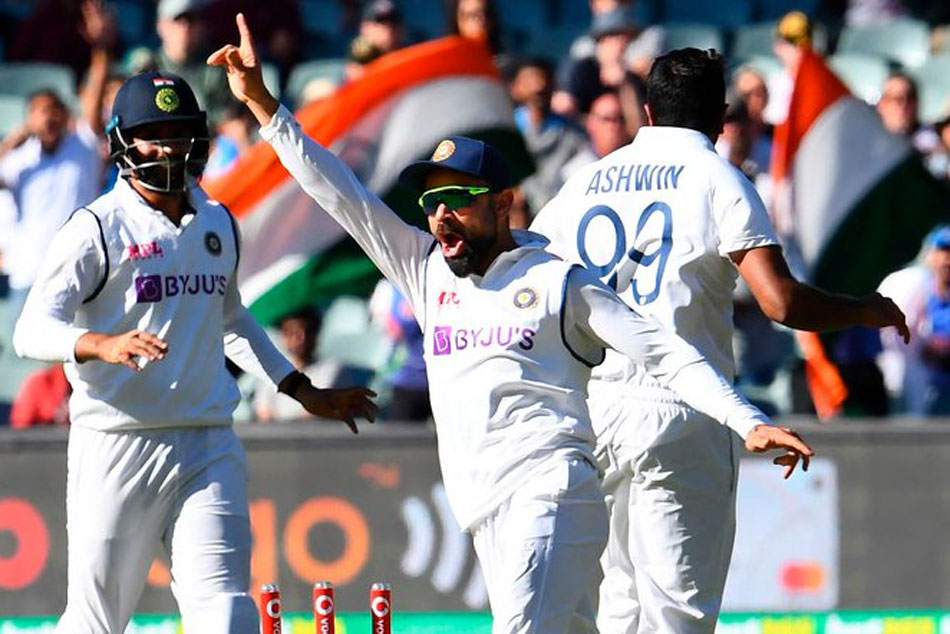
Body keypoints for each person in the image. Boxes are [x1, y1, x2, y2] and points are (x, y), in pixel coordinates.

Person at [209, 17, 814, 634]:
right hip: (484, 507)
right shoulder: (424, 270)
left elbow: (663, 351)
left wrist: (747, 420)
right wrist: (262, 104)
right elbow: (340, 193)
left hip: (554, 494)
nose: (441, 216)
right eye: (432, 202)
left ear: (502, 203)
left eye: (459, 199)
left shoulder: (558, 280)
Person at [530, 48, 910, 634]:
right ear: (720, 117)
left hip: (596, 407)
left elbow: (534, 273)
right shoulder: (717, 178)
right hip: (682, 407)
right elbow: (780, 302)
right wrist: (860, 309)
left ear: (648, 112)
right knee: (678, 613)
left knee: (619, 607)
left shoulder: (585, 182)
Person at [12, 70, 376, 634]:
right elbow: (30, 330)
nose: (169, 148)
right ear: (122, 141)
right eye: (154, 135)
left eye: (179, 133)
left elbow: (231, 319)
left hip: (207, 441)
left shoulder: (217, 221)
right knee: (95, 621)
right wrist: (100, 343)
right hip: (116, 440)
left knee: (227, 611)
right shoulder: (96, 228)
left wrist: (300, 390)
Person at [253, 307, 344, 422]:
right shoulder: (270, 370)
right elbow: (263, 413)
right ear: (284, 336)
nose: (302, 339)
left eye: (308, 331)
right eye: (293, 332)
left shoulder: (332, 369)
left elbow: (316, 411)